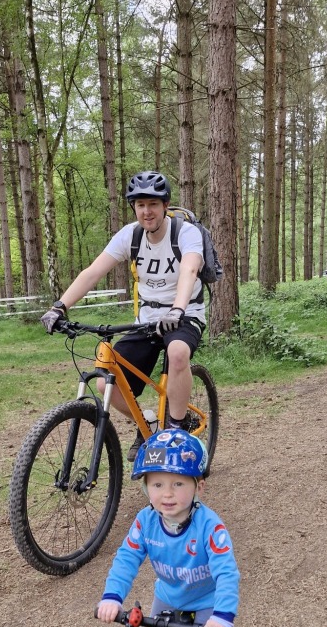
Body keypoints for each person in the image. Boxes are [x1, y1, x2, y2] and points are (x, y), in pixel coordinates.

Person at [41, 170, 205, 460]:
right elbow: (92, 272)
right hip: (146, 321)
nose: (146, 211)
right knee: (106, 381)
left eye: (153, 204)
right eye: (140, 204)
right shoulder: (130, 235)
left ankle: (176, 429)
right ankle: (149, 424)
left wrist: (178, 308)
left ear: (165, 205)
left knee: (178, 352)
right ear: (134, 207)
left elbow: (190, 270)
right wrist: (60, 306)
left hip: (185, 314)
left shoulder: (186, 233)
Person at [96, 429, 239, 627]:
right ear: (146, 487)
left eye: (178, 483)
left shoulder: (210, 526)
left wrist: (222, 616)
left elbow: (227, 572)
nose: (167, 494)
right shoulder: (145, 521)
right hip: (168, 596)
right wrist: (111, 597)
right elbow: (127, 558)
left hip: (206, 601)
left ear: (198, 486)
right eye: (157, 484)